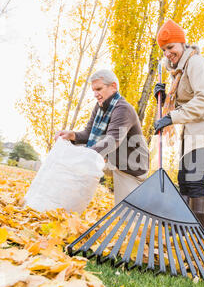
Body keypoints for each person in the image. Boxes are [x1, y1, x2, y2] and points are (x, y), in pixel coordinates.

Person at [154, 19, 204, 231]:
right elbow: (182, 99)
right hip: (192, 130)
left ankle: (197, 234)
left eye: (171, 47)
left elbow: (203, 99)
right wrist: (163, 95)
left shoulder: (196, 63)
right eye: (164, 49)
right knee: (184, 179)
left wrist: (172, 117)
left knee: (194, 179)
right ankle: (182, 229)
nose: (167, 53)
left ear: (182, 44)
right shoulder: (177, 71)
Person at [55, 69, 149, 205]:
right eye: (93, 90)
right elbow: (87, 134)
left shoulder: (123, 109)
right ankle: (66, 201)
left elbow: (112, 141)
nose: (95, 94)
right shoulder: (100, 107)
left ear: (113, 87)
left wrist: (85, 157)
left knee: (126, 214)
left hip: (130, 168)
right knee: (74, 150)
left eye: (98, 89)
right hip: (112, 160)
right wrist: (71, 135)